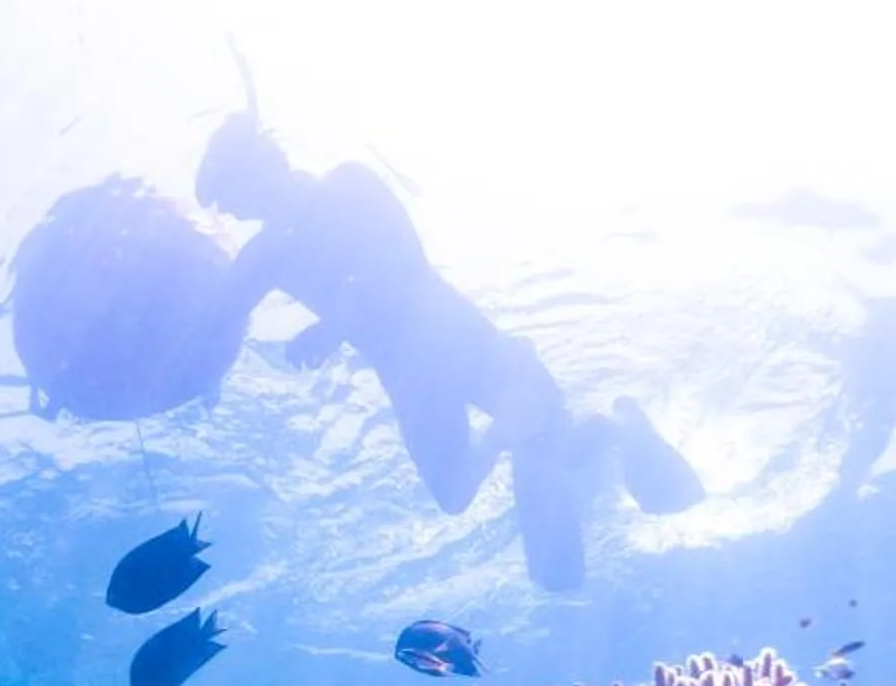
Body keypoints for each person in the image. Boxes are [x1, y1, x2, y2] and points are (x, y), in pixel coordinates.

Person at [194, 114, 703, 589]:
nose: (234, 212)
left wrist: (337, 324)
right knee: (455, 494)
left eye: (230, 195)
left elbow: (406, 261)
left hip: (458, 339)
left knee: (559, 447)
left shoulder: (347, 184)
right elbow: (218, 312)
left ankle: (615, 423)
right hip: (413, 374)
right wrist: (206, 371)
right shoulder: (265, 253)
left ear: (259, 169)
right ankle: (514, 432)